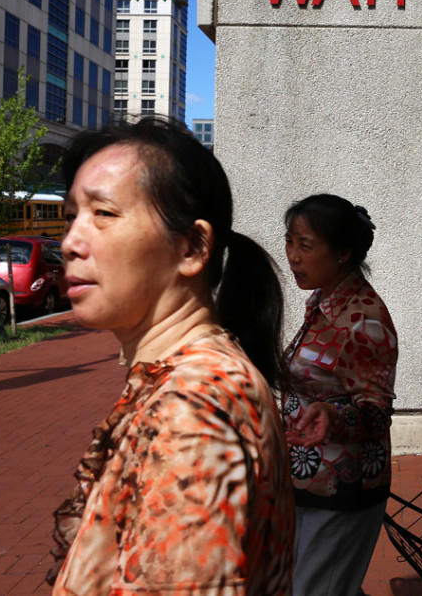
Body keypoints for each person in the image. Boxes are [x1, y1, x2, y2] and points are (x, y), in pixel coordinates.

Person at [47, 118, 294, 594]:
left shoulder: (192, 406)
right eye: (71, 215)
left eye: (104, 213)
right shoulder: (191, 378)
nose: (70, 242)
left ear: (193, 247)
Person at [281, 194, 398, 595]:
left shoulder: (364, 320)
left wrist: (334, 418)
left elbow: (377, 410)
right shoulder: (323, 302)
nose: (293, 256)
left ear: (344, 252)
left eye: (306, 246)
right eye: (290, 242)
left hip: (342, 489)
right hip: (307, 482)